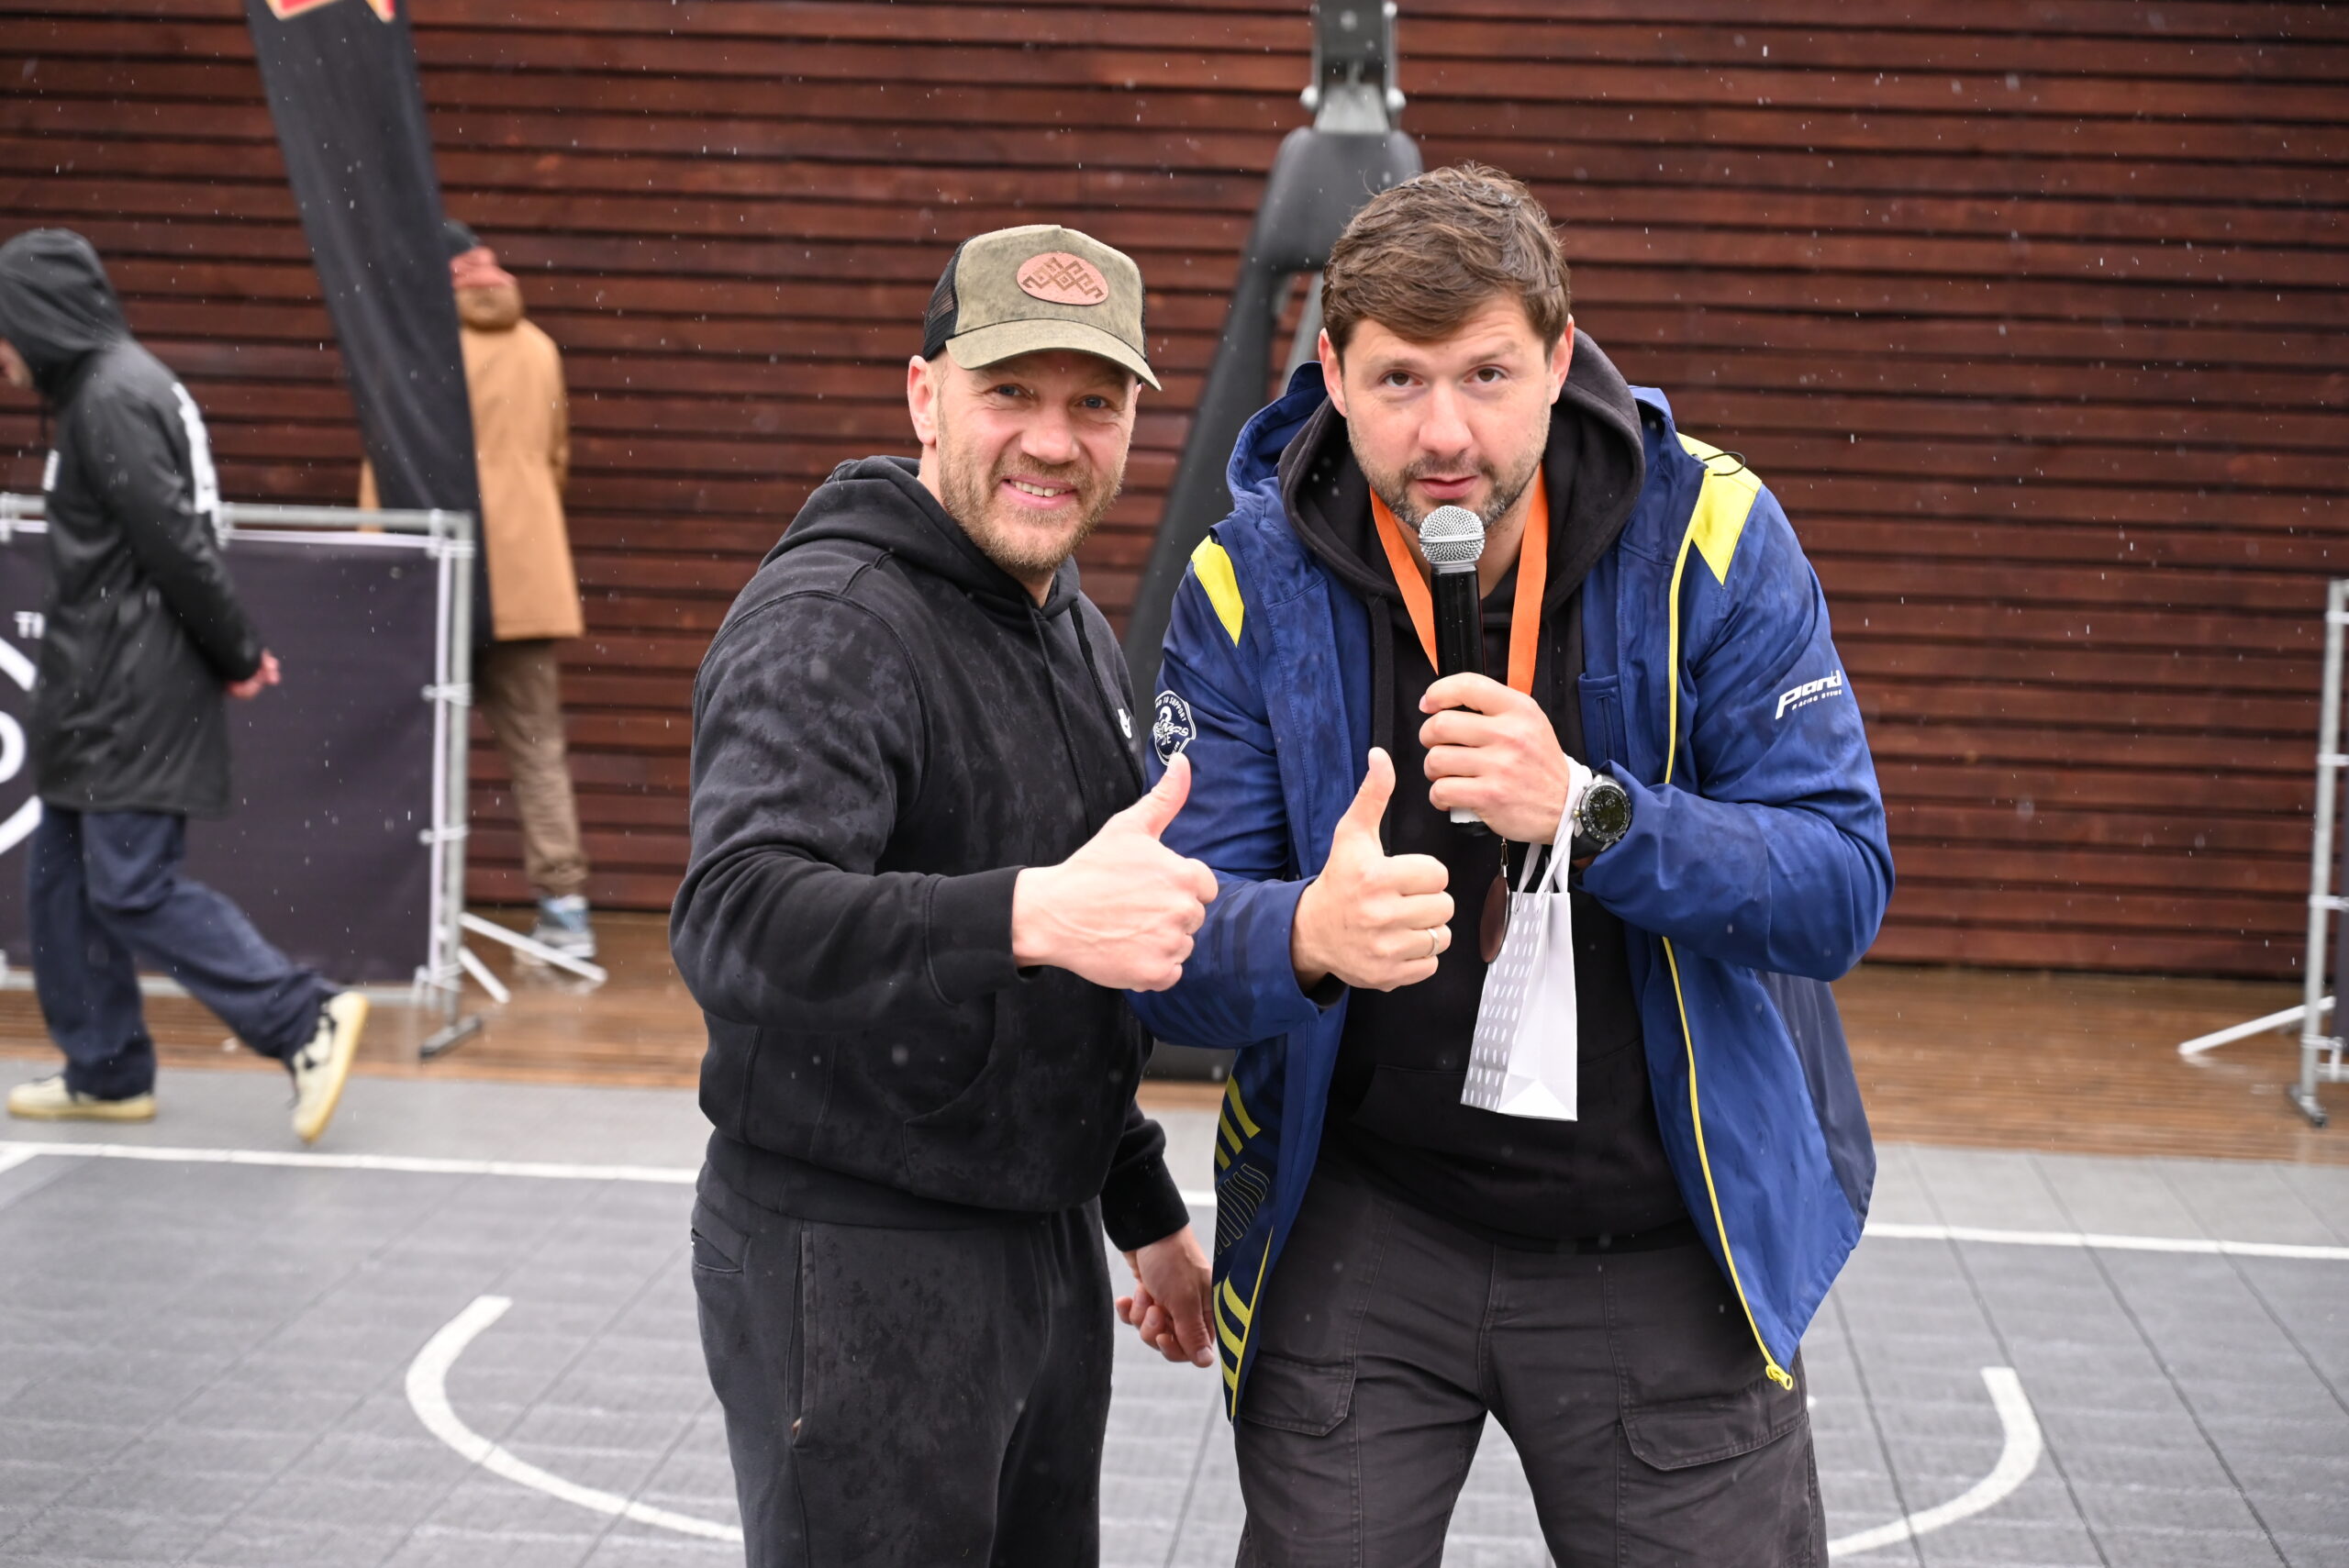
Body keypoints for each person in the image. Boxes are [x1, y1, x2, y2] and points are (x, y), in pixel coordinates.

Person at [1125, 166, 1893, 1564]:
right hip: (1369, 1217)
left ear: (1558, 356)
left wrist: (1596, 817)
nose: (1445, 434)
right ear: (1332, 377)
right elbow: (1167, 953)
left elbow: (1840, 884)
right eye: (1399, 380)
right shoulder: (1247, 578)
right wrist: (1303, 935)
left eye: (1486, 375)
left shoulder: (1713, 534)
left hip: (1659, 1230)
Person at [670, 224, 1219, 1567]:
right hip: (852, 1247)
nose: (1053, 440)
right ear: (925, 396)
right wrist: (1025, 913)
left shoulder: (1067, 625)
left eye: (1094, 403)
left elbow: (1068, 977)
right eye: (1009, 392)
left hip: (1038, 1239)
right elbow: (736, 915)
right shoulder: (834, 618)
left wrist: (1142, 1212)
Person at [0, 228, 369, 1143]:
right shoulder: (110, 388)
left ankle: (303, 1015)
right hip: (100, 684)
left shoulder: (112, 398)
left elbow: (175, 543)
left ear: (38, 318)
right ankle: (106, 1069)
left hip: (130, 687)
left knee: (130, 886)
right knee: (61, 888)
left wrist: (236, 652)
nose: (0, 353)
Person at [362, 217, 594, 960]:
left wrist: (376, 564)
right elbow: (554, 460)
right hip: (525, 576)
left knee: (421, 745)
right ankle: (566, 914)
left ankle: (414, 911)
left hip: (433, 577)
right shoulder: (538, 347)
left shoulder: (414, 349)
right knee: (537, 748)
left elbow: (386, 472)